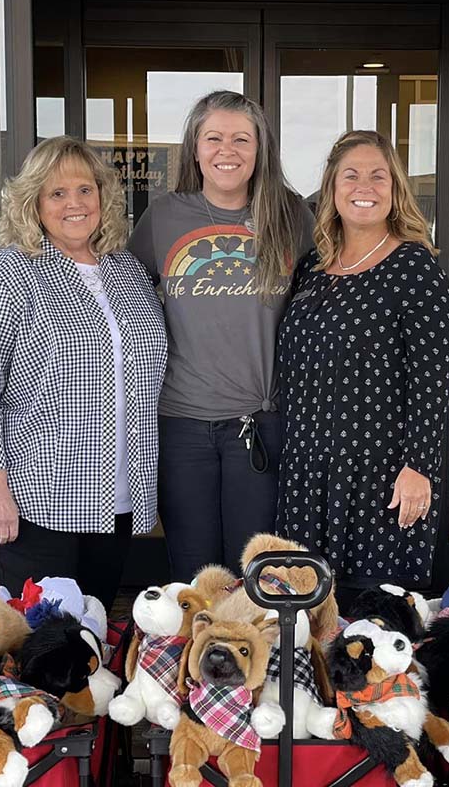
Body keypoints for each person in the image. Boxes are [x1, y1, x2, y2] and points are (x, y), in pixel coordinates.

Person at [0, 136, 167, 608]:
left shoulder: (126, 271)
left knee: (92, 634)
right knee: (37, 643)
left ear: (103, 197)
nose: (75, 204)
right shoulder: (6, 274)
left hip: (115, 497)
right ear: (34, 204)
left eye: (85, 190)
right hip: (34, 498)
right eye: (57, 193)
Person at [128, 90, 313, 581]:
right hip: (180, 424)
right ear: (195, 148)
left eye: (240, 139)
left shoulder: (292, 217)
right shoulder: (164, 218)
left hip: (261, 424)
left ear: (260, 151)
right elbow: (122, 300)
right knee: (195, 574)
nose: (226, 150)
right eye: (213, 138)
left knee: (257, 572)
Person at [276, 129, 449, 605]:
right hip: (308, 472)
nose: (365, 186)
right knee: (305, 608)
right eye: (351, 176)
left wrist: (419, 467)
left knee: (367, 616)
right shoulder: (312, 267)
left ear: (395, 190)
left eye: (379, 176)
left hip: (378, 475)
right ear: (333, 190)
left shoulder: (414, 268)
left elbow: (433, 380)